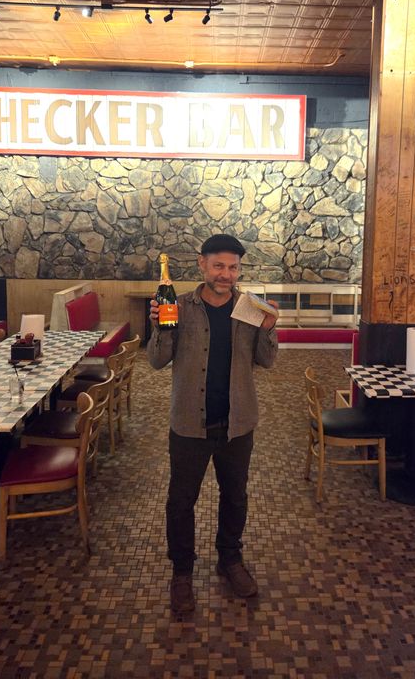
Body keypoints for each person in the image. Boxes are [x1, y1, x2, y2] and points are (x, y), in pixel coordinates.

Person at [147, 234, 279, 615]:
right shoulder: (180, 306)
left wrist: (269, 328)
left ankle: (230, 559)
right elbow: (156, 361)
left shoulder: (249, 308)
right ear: (202, 265)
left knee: (235, 496)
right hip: (190, 422)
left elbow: (267, 362)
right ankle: (182, 574)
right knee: (180, 501)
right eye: (219, 266)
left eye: (233, 267)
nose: (226, 274)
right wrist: (160, 327)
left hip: (237, 423)